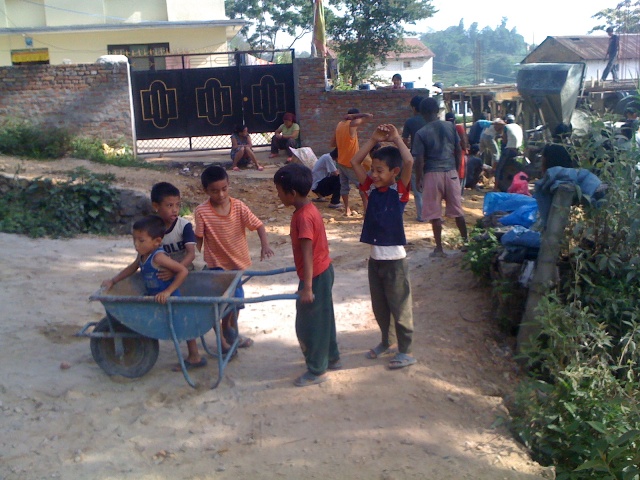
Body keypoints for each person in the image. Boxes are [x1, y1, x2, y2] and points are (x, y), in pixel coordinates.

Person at [351, 124, 416, 369]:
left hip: (395, 262)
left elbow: (408, 162)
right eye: (373, 170)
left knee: (400, 308)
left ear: (394, 172)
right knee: (380, 307)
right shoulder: (370, 190)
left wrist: (397, 138)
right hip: (375, 260)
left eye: (380, 171)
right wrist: (372, 139)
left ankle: (406, 351)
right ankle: (386, 341)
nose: (374, 175)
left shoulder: (398, 192)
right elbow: (355, 161)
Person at [273, 163, 341, 386]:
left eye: (279, 191)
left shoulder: (303, 217)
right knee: (324, 318)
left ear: (291, 193)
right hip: (323, 271)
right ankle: (331, 357)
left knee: (309, 324)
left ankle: (316, 369)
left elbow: (308, 253)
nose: (278, 195)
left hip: (316, 276)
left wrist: (307, 287)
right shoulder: (310, 209)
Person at [194, 166, 274, 355]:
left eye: (224, 189)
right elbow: (199, 237)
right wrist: (194, 260)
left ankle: (229, 330)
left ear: (229, 185)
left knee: (237, 303)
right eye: (214, 191)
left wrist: (265, 245)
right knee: (224, 303)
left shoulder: (238, 206)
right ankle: (226, 334)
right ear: (206, 191)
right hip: (216, 266)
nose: (220, 194)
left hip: (237, 265)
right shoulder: (202, 211)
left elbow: (259, 225)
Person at [150, 182, 204, 370]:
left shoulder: (184, 226)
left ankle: (196, 354)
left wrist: (176, 270)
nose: (175, 209)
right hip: (163, 276)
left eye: (177, 205)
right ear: (156, 206)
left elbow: (191, 254)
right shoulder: (151, 228)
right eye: (169, 205)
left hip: (186, 274)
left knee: (186, 311)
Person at [413, 97, 468, 258]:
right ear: (438, 111)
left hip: (432, 174)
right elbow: (458, 150)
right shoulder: (451, 127)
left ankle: (439, 249)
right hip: (451, 173)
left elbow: (420, 159)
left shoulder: (421, 133)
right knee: (458, 211)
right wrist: (456, 170)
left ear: (421, 112)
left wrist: (418, 178)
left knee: (434, 213)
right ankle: (466, 243)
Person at [101, 215, 188, 304]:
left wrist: (167, 292)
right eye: (134, 239)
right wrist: (113, 281)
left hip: (170, 299)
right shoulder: (141, 255)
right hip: (154, 298)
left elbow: (183, 271)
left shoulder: (158, 257)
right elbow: (132, 268)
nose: (136, 244)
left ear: (157, 241)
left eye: (141, 240)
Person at [330, 108, 373, 216]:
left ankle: (347, 210)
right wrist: (357, 115)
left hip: (341, 161)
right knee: (363, 186)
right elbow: (369, 116)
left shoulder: (339, 124)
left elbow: (332, 143)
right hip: (352, 163)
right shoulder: (352, 124)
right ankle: (366, 211)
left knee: (344, 187)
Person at [402, 95, 427, 221]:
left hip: (416, 157)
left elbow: (404, 141)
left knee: (418, 190)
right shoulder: (431, 120)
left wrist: (407, 152)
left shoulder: (410, 122)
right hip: (432, 158)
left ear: (413, 108)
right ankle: (433, 214)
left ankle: (421, 216)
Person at [446, 112, 469, 191]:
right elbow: (463, 140)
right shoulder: (458, 127)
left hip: (448, 154)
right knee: (460, 172)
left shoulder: (444, 128)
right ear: (454, 120)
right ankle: (459, 191)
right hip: (459, 153)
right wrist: (465, 148)